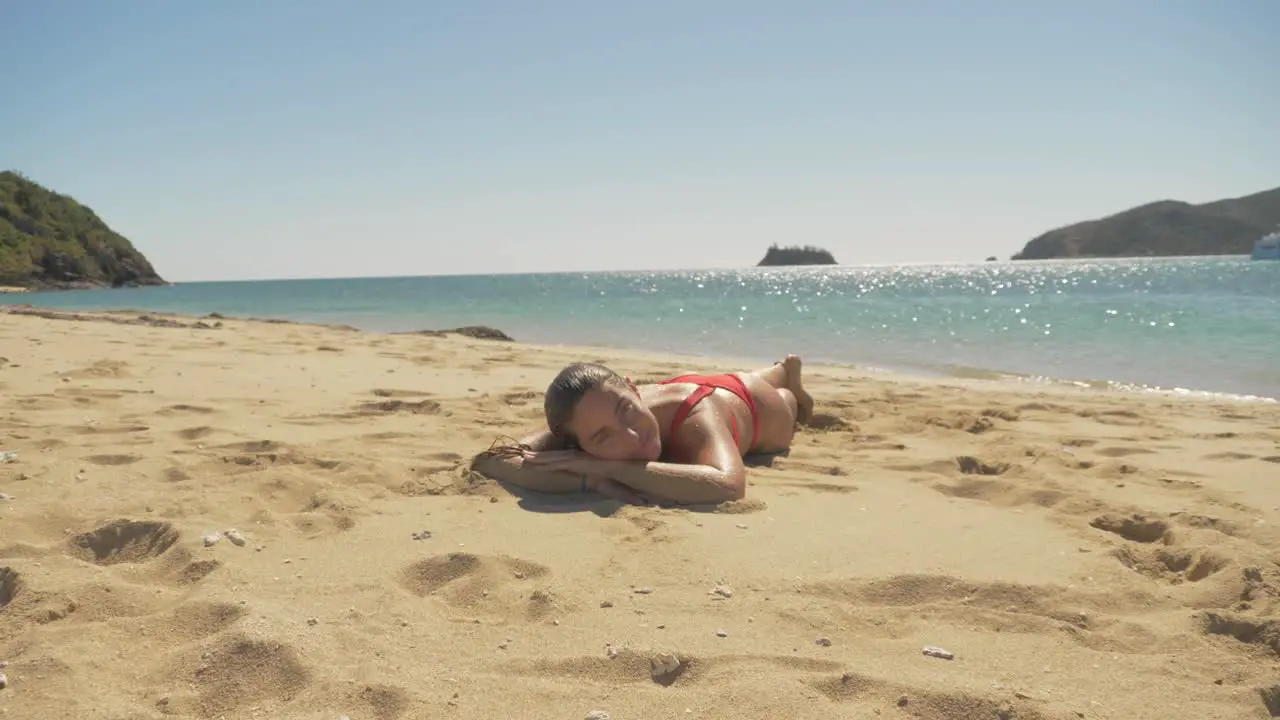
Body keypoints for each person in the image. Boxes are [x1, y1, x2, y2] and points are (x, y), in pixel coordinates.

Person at [473, 354, 815, 506]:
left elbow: (728, 485)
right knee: (748, 377)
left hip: (752, 405)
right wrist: (591, 480)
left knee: (789, 406)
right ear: (577, 444)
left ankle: (787, 377)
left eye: (627, 411)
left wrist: (608, 467)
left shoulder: (697, 416)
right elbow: (491, 459)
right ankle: (779, 368)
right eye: (603, 437)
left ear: (634, 390)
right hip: (689, 384)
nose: (633, 436)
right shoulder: (591, 411)